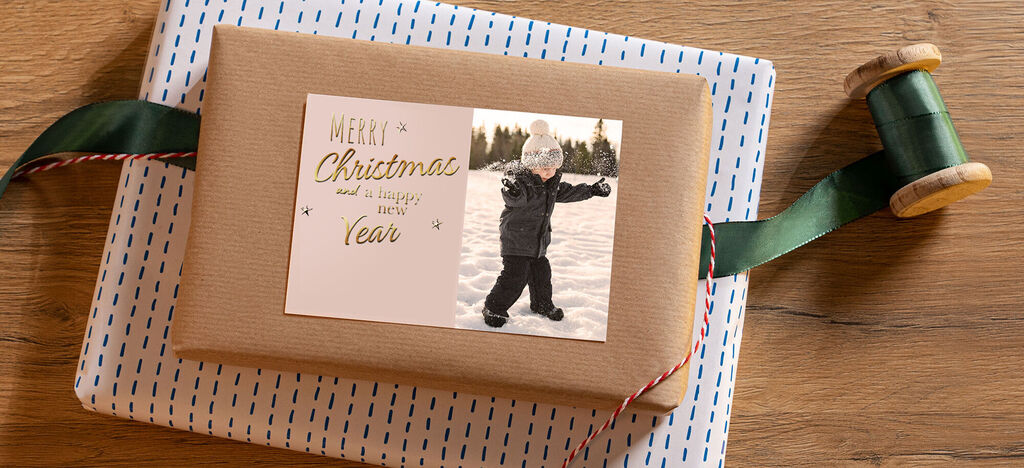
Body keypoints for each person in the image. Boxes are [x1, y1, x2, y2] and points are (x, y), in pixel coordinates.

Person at [481, 119, 612, 328]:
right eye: (544, 167)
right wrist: (512, 189)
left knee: (542, 273)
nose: (549, 172)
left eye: (553, 167)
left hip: (537, 243)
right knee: (515, 277)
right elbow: (513, 197)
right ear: (531, 165)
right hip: (516, 240)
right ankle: (494, 307)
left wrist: (591, 190)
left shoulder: (550, 185)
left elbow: (568, 192)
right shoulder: (521, 183)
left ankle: (542, 304)